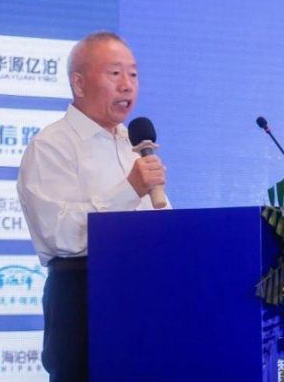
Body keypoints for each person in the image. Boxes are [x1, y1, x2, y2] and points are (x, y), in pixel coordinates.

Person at [17, 31, 169, 382]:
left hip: (148, 292)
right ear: (79, 83)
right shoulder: (50, 146)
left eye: (133, 74)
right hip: (84, 298)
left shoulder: (133, 143)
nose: (127, 84)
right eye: (115, 73)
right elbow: (58, 235)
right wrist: (130, 189)